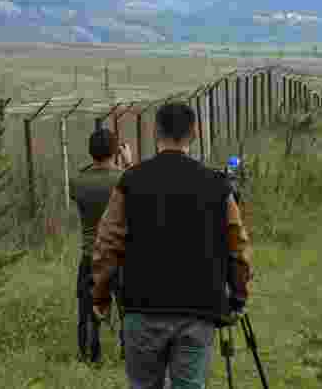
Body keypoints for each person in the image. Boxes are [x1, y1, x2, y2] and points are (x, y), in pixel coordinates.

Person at [90, 102, 253, 389]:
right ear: (195, 133)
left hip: (142, 310)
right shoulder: (217, 185)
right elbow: (237, 245)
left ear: (155, 132)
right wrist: (238, 296)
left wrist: (101, 297)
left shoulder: (130, 181)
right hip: (198, 311)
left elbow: (106, 244)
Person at [70, 127, 130, 363]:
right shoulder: (123, 179)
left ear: (90, 152)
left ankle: (88, 356)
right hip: (120, 255)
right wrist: (127, 164)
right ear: (116, 151)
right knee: (128, 311)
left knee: (87, 312)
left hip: (90, 255)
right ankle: (129, 353)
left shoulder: (78, 181)